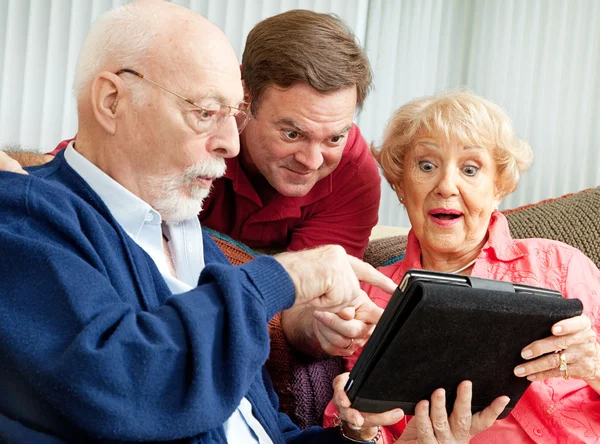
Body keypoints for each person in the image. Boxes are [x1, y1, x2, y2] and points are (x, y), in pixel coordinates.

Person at [0, 3, 507, 443]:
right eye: (205, 112)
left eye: (229, 114)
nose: (231, 143)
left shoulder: (203, 250)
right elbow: (125, 387)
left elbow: (268, 431)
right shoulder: (32, 215)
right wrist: (285, 276)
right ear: (112, 101)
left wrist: (362, 436)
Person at [2, 9, 382, 359]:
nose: (313, 160)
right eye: (292, 133)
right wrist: (24, 190)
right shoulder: (194, 120)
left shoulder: (353, 175)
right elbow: (88, 170)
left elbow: (300, 303)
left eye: (334, 138)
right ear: (245, 98)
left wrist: (323, 324)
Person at [324, 90, 600, 443]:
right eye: (426, 166)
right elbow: (357, 425)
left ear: (498, 186)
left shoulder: (561, 266)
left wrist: (594, 368)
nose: (446, 186)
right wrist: (359, 429)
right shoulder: (368, 298)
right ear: (400, 185)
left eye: (470, 169)